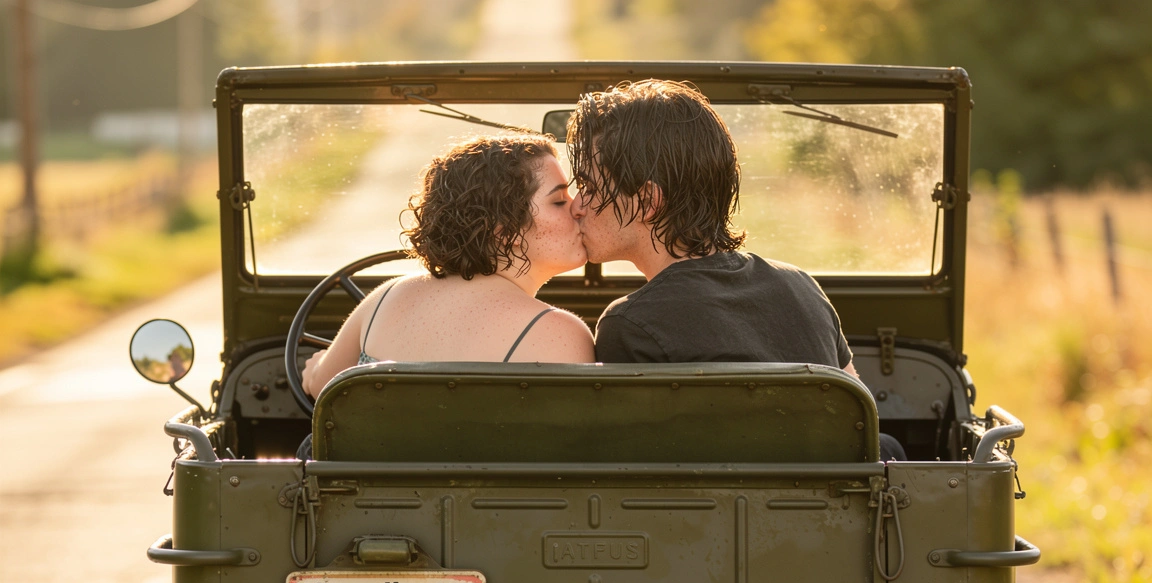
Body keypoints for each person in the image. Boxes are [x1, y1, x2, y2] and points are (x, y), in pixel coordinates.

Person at [567, 79, 904, 460]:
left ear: (647, 201)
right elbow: (860, 424)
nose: (577, 205)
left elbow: (636, 471)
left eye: (590, 187)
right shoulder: (801, 286)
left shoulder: (631, 324)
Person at [302, 133, 594, 398]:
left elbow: (321, 387)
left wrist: (315, 367)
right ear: (506, 232)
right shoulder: (559, 333)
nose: (579, 207)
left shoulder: (386, 297)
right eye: (559, 200)